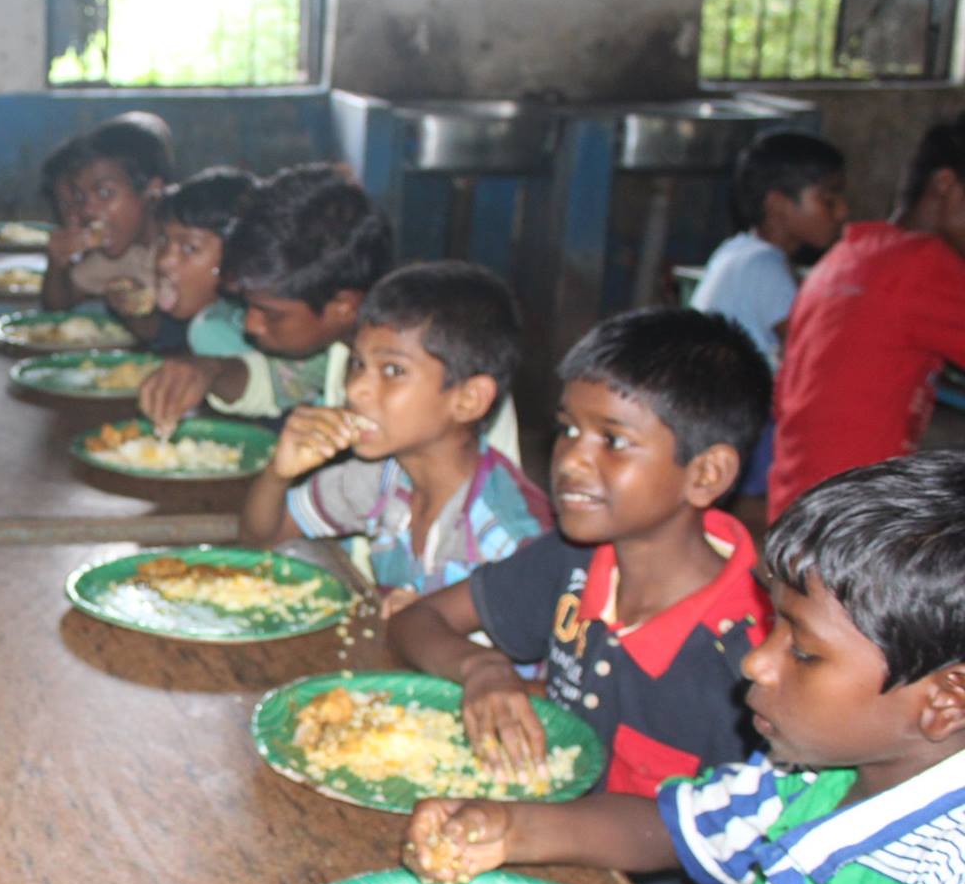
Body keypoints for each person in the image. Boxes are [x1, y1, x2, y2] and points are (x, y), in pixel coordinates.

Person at [280, 452, 965, 884]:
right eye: (775, 628)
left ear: (946, 700)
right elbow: (673, 826)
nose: (758, 661)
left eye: (805, 652)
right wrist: (507, 826)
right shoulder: (815, 775)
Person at [386, 308, 774, 796]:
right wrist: (482, 668)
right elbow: (415, 621)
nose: (571, 460)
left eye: (614, 440)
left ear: (706, 475)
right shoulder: (576, 560)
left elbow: (725, 828)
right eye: (569, 430)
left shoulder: (749, 662)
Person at [238, 264, 550, 615]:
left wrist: (424, 624)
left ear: (468, 400)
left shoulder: (509, 536)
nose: (356, 389)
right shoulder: (383, 478)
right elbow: (263, 538)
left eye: (393, 370)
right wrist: (278, 473)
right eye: (357, 364)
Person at [769, 113, 965, 519]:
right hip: (858, 520)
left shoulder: (843, 257)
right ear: (945, 185)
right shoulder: (925, 264)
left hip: (795, 509)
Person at [137, 164, 390, 437]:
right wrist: (209, 370)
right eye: (249, 306)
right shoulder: (340, 347)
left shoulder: (397, 380)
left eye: (271, 314)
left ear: (343, 307)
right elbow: (276, 382)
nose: (251, 325)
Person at [689, 131, 847, 503]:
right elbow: (809, 354)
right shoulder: (765, 266)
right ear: (778, 204)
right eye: (828, 198)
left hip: (710, 405)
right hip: (744, 415)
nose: (841, 211)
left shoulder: (736, 250)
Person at [102, 166, 256, 354]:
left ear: (237, 258)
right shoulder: (203, 315)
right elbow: (161, 333)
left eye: (189, 248)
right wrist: (133, 309)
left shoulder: (217, 332)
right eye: (163, 240)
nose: (163, 260)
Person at [38, 116, 174, 311]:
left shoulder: (181, 250)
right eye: (81, 197)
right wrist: (57, 263)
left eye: (105, 193)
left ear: (152, 190)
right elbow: (59, 304)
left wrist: (136, 312)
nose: (86, 210)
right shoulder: (122, 252)